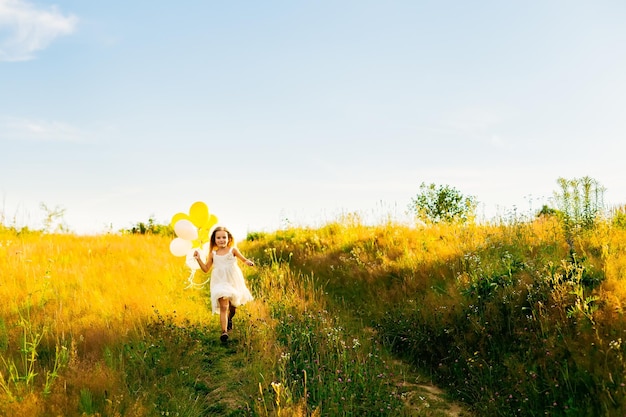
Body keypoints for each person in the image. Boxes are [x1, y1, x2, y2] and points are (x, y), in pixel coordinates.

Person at [194, 226, 254, 342]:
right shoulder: (213, 254)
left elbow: (243, 259)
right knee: (224, 306)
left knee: (233, 306)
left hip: (233, 280)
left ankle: (229, 319)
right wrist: (198, 259)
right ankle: (224, 332)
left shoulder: (233, 250)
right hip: (219, 282)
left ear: (228, 238)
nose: (221, 240)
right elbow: (206, 269)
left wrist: (248, 262)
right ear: (214, 240)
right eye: (218, 238)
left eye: (223, 237)